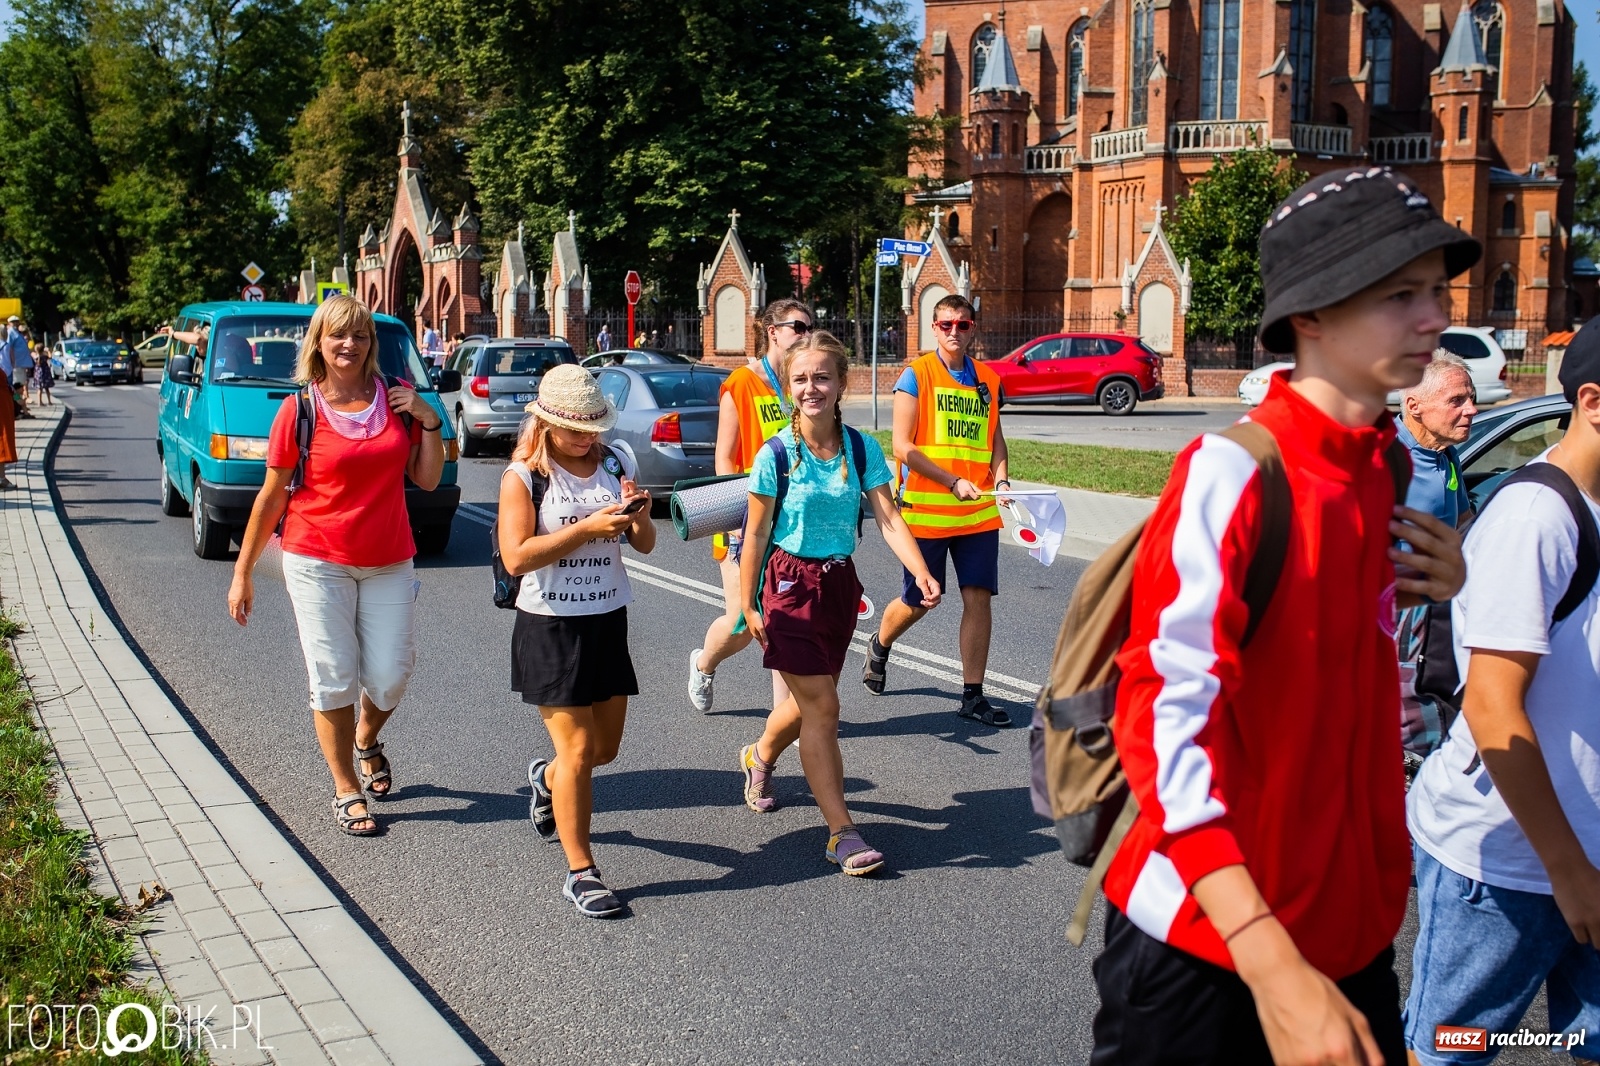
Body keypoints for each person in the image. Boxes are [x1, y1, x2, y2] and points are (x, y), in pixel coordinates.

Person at [1089, 168, 1472, 1066]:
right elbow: (1161, 728)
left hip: (1347, 930)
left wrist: (1458, 588)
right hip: (1208, 941)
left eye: (1436, 292)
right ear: (1311, 315)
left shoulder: (1382, 469)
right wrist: (1272, 966)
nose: (1432, 320)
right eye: (1400, 294)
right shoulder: (1230, 472)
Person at [1402, 323, 1600, 1064]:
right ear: (1593, 402)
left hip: (1582, 852)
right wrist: (1570, 872)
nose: (1464, 412)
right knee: (1452, 1051)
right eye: (1448, 400)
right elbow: (1492, 702)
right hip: (1514, 868)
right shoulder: (1537, 516)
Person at [227, 295, 445, 837]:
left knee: (392, 675)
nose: (350, 345)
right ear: (319, 343)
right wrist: (243, 570)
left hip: (390, 556)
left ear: (372, 344)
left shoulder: (397, 399)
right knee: (333, 676)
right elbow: (272, 496)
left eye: (361, 335)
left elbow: (429, 480)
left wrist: (430, 421)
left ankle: (366, 739)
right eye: (338, 335)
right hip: (316, 556)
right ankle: (346, 786)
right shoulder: (298, 411)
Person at [738, 330, 940, 873]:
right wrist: (747, 603)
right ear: (787, 387)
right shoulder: (775, 455)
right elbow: (755, 535)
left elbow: (889, 517)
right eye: (801, 379)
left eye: (822, 377)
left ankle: (758, 755)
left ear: (841, 384)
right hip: (786, 586)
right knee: (824, 708)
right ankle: (841, 833)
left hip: (838, 587)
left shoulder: (860, 447)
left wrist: (919, 571)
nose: (812, 388)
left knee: (807, 702)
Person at [499, 364, 656, 918]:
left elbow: (645, 544)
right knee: (580, 751)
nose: (587, 438)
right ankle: (581, 872)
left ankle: (545, 779)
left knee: (604, 750)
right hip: (551, 624)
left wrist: (638, 514)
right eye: (575, 429)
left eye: (594, 426)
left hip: (608, 618)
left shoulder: (617, 462)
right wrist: (586, 530)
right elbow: (517, 556)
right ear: (545, 424)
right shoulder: (524, 476)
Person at [862, 293, 1013, 727]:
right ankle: (880, 643)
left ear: (972, 329)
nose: (954, 331)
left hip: (977, 512)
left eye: (962, 325)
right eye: (946, 324)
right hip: (928, 512)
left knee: (978, 598)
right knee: (920, 601)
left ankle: (973, 695)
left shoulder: (988, 380)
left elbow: (995, 440)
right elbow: (902, 446)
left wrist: (1000, 480)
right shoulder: (917, 375)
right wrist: (951, 481)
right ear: (934, 327)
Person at [687, 298, 814, 723]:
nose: (806, 334)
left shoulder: (804, 384)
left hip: (790, 521)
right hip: (744, 520)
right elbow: (724, 458)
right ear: (772, 331)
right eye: (798, 326)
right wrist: (739, 523)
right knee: (743, 620)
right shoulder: (741, 383)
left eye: (810, 327)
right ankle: (704, 664)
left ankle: (784, 717)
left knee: (779, 619)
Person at [1396, 350, 1477, 528]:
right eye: (1456, 400)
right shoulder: (1383, 460)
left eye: (1471, 398)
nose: (1472, 410)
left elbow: (1463, 521)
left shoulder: (1446, 453)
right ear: (1414, 406)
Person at [0, 319, 16, 488]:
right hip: (2, 404)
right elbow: (11, 366)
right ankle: (1, 478)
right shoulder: (6, 346)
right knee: (2, 441)